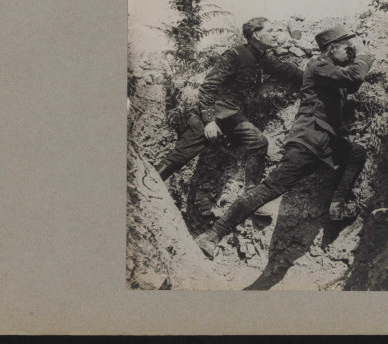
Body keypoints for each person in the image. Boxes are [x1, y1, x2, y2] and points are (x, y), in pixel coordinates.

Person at [194, 24, 374, 259]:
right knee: (269, 189)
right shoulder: (318, 65)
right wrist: (363, 56)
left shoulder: (330, 72)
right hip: (307, 142)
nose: (350, 54)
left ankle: (337, 205)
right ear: (331, 49)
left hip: (325, 142)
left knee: (356, 153)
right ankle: (212, 235)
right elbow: (353, 77)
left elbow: (353, 82)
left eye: (352, 51)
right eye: (346, 49)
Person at [154, 17, 303, 216]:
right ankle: (146, 186)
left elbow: (288, 71)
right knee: (180, 157)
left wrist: (317, 77)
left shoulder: (263, 59)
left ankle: (251, 195)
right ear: (256, 35)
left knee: (259, 142)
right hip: (210, 115)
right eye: (270, 30)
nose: (276, 34)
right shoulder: (234, 55)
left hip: (232, 117)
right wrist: (209, 121)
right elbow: (208, 88)